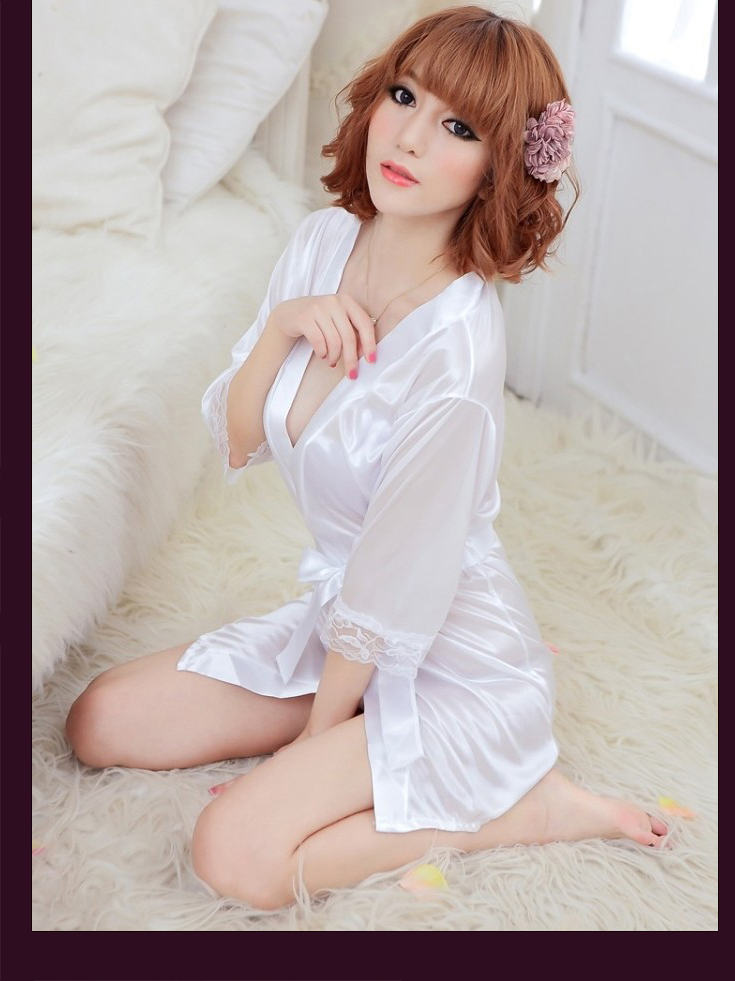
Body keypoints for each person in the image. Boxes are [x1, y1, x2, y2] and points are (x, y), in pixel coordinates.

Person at [65, 5, 668, 911]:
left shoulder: (458, 353)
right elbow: (239, 436)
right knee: (100, 721)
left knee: (238, 855)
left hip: (445, 656)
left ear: (499, 167)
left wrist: (313, 749)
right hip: (344, 621)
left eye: (459, 128)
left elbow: (392, 587)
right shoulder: (321, 244)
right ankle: (355, 748)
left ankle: (525, 807)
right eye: (405, 96)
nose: (411, 137)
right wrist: (283, 326)